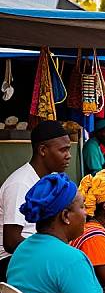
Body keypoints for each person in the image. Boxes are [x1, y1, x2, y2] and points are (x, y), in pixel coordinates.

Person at [0, 120, 71, 281]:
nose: (69, 155)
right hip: (12, 262)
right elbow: (11, 242)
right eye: (63, 150)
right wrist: (50, 251)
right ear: (43, 150)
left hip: (37, 254)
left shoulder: (52, 179)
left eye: (69, 149)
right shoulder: (20, 183)